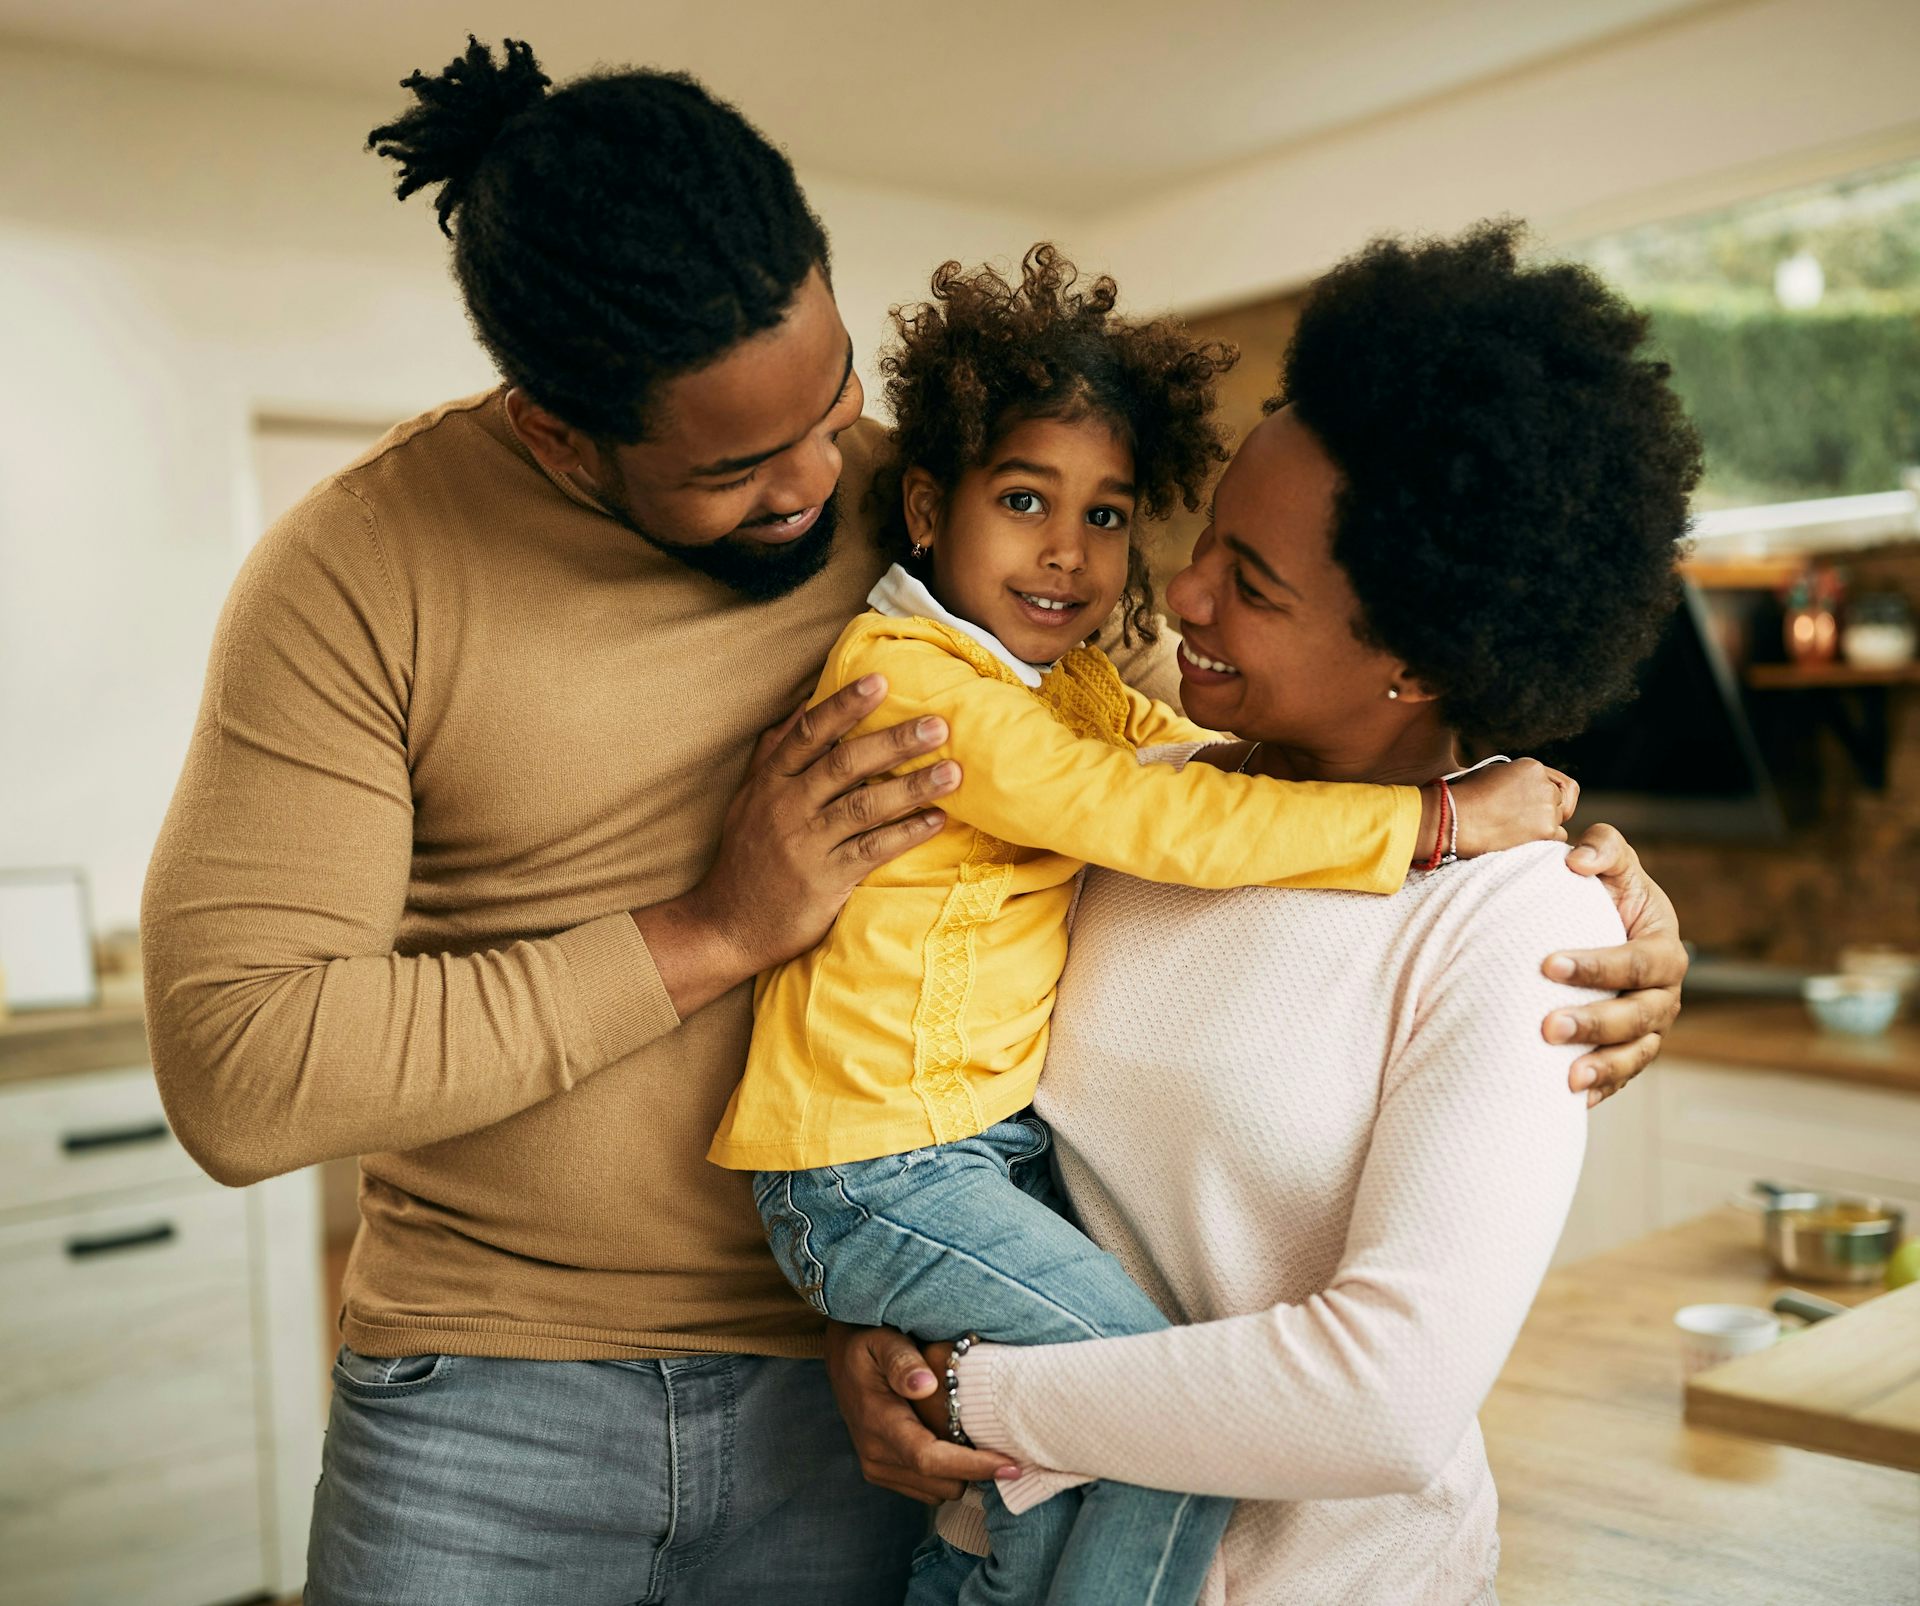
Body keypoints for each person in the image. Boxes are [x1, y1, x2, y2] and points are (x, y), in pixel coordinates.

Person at [138, 36, 1685, 1604]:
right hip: (498, 1392)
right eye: (742, 462)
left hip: (864, 1394)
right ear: (560, 433)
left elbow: (1239, 722)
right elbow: (244, 1074)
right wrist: (712, 932)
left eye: (837, 402)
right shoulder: (354, 576)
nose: (823, 483)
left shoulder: (945, 507)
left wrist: (1586, 889)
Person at [832, 222, 1701, 1606]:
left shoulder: (1516, 914)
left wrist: (985, 1395)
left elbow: (1383, 1399)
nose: (1178, 593)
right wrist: (883, 1348)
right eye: (1207, 539)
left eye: (1254, 583)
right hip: (999, 1566)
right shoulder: (1129, 801)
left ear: (1415, 658)